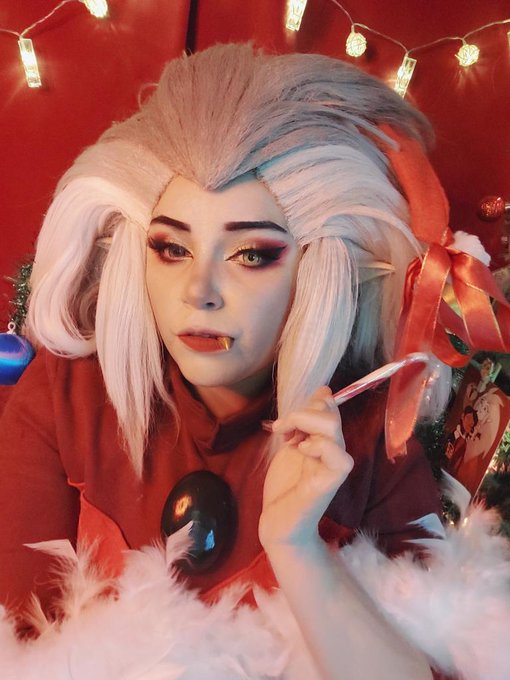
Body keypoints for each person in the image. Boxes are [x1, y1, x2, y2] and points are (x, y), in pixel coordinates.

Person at [0, 43, 507, 679]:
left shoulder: (374, 436)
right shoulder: (65, 395)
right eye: (172, 249)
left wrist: (299, 552)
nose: (199, 292)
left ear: (316, 266)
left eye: (252, 255)